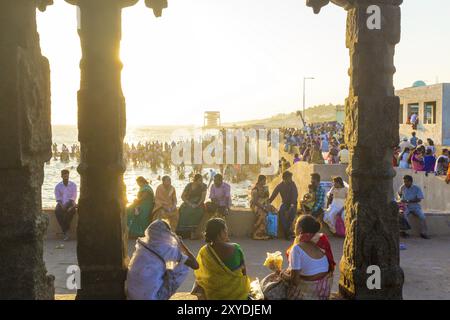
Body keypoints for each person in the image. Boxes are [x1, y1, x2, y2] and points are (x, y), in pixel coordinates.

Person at [127, 220, 199, 300]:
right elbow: (195, 265)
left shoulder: (143, 246)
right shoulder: (168, 250)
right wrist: (180, 244)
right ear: (166, 233)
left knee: (166, 266)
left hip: (132, 294)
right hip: (150, 297)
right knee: (183, 266)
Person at [279, 215, 335, 300]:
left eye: (295, 226)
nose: (294, 229)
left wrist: (280, 273)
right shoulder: (320, 242)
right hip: (323, 292)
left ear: (300, 230)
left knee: (274, 281)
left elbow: (295, 281)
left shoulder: (297, 249)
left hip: (307, 292)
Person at [192, 218, 250, 300]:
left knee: (199, 282)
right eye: (225, 230)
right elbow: (244, 273)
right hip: (237, 293)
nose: (227, 233)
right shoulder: (236, 248)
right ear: (221, 233)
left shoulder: (204, 251)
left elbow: (200, 274)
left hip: (213, 294)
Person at [268, 171, 298, 240]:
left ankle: (287, 232)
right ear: (284, 178)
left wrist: (292, 205)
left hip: (293, 204)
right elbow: (274, 194)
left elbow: (295, 195)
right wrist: (268, 202)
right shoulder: (280, 186)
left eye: (291, 178)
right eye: (289, 178)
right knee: (281, 214)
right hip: (285, 203)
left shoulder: (292, 184)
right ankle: (287, 232)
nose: (291, 179)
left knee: (291, 215)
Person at [398, 175, 430, 239]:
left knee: (422, 217)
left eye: (406, 181)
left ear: (411, 182)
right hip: (406, 206)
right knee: (402, 215)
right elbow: (399, 194)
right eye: (404, 181)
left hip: (415, 206)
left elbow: (419, 199)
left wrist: (408, 200)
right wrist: (401, 200)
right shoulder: (402, 187)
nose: (405, 183)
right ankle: (403, 232)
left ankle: (424, 233)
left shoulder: (417, 188)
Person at [177, 174, 207, 238]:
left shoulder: (204, 186)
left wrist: (197, 205)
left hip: (199, 204)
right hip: (188, 202)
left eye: (202, 180)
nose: (201, 182)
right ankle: (182, 231)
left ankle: (192, 231)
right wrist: (190, 204)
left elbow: (203, 199)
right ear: (195, 180)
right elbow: (182, 196)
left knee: (196, 211)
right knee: (183, 210)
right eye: (200, 180)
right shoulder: (189, 185)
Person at [54, 169, 77, 241]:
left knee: (70, 212)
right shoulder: (58, 186)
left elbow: (73, 197)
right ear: (61, 176)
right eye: (64, 176)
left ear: (69, 176)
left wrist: (68, 206)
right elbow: (58, 197)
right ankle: (66, 231)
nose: (66, 177)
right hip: (61, 203)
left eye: (67, 176)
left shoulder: (73, 185)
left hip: (70, 202)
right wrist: (61, 205)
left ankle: (65, 232)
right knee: (57, 211)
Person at [251, 175, 271, 240]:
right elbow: (255, 201)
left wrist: (267, 206)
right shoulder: (255, 189)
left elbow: (267, 198)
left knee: (273, 212)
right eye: (264, 180)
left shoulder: (265, 188)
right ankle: (256, 233)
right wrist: (263, 207)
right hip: (256, 205)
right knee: (262, 214)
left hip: (264, 205)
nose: (265, 182)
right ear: (260, 181)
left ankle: (264, 233)